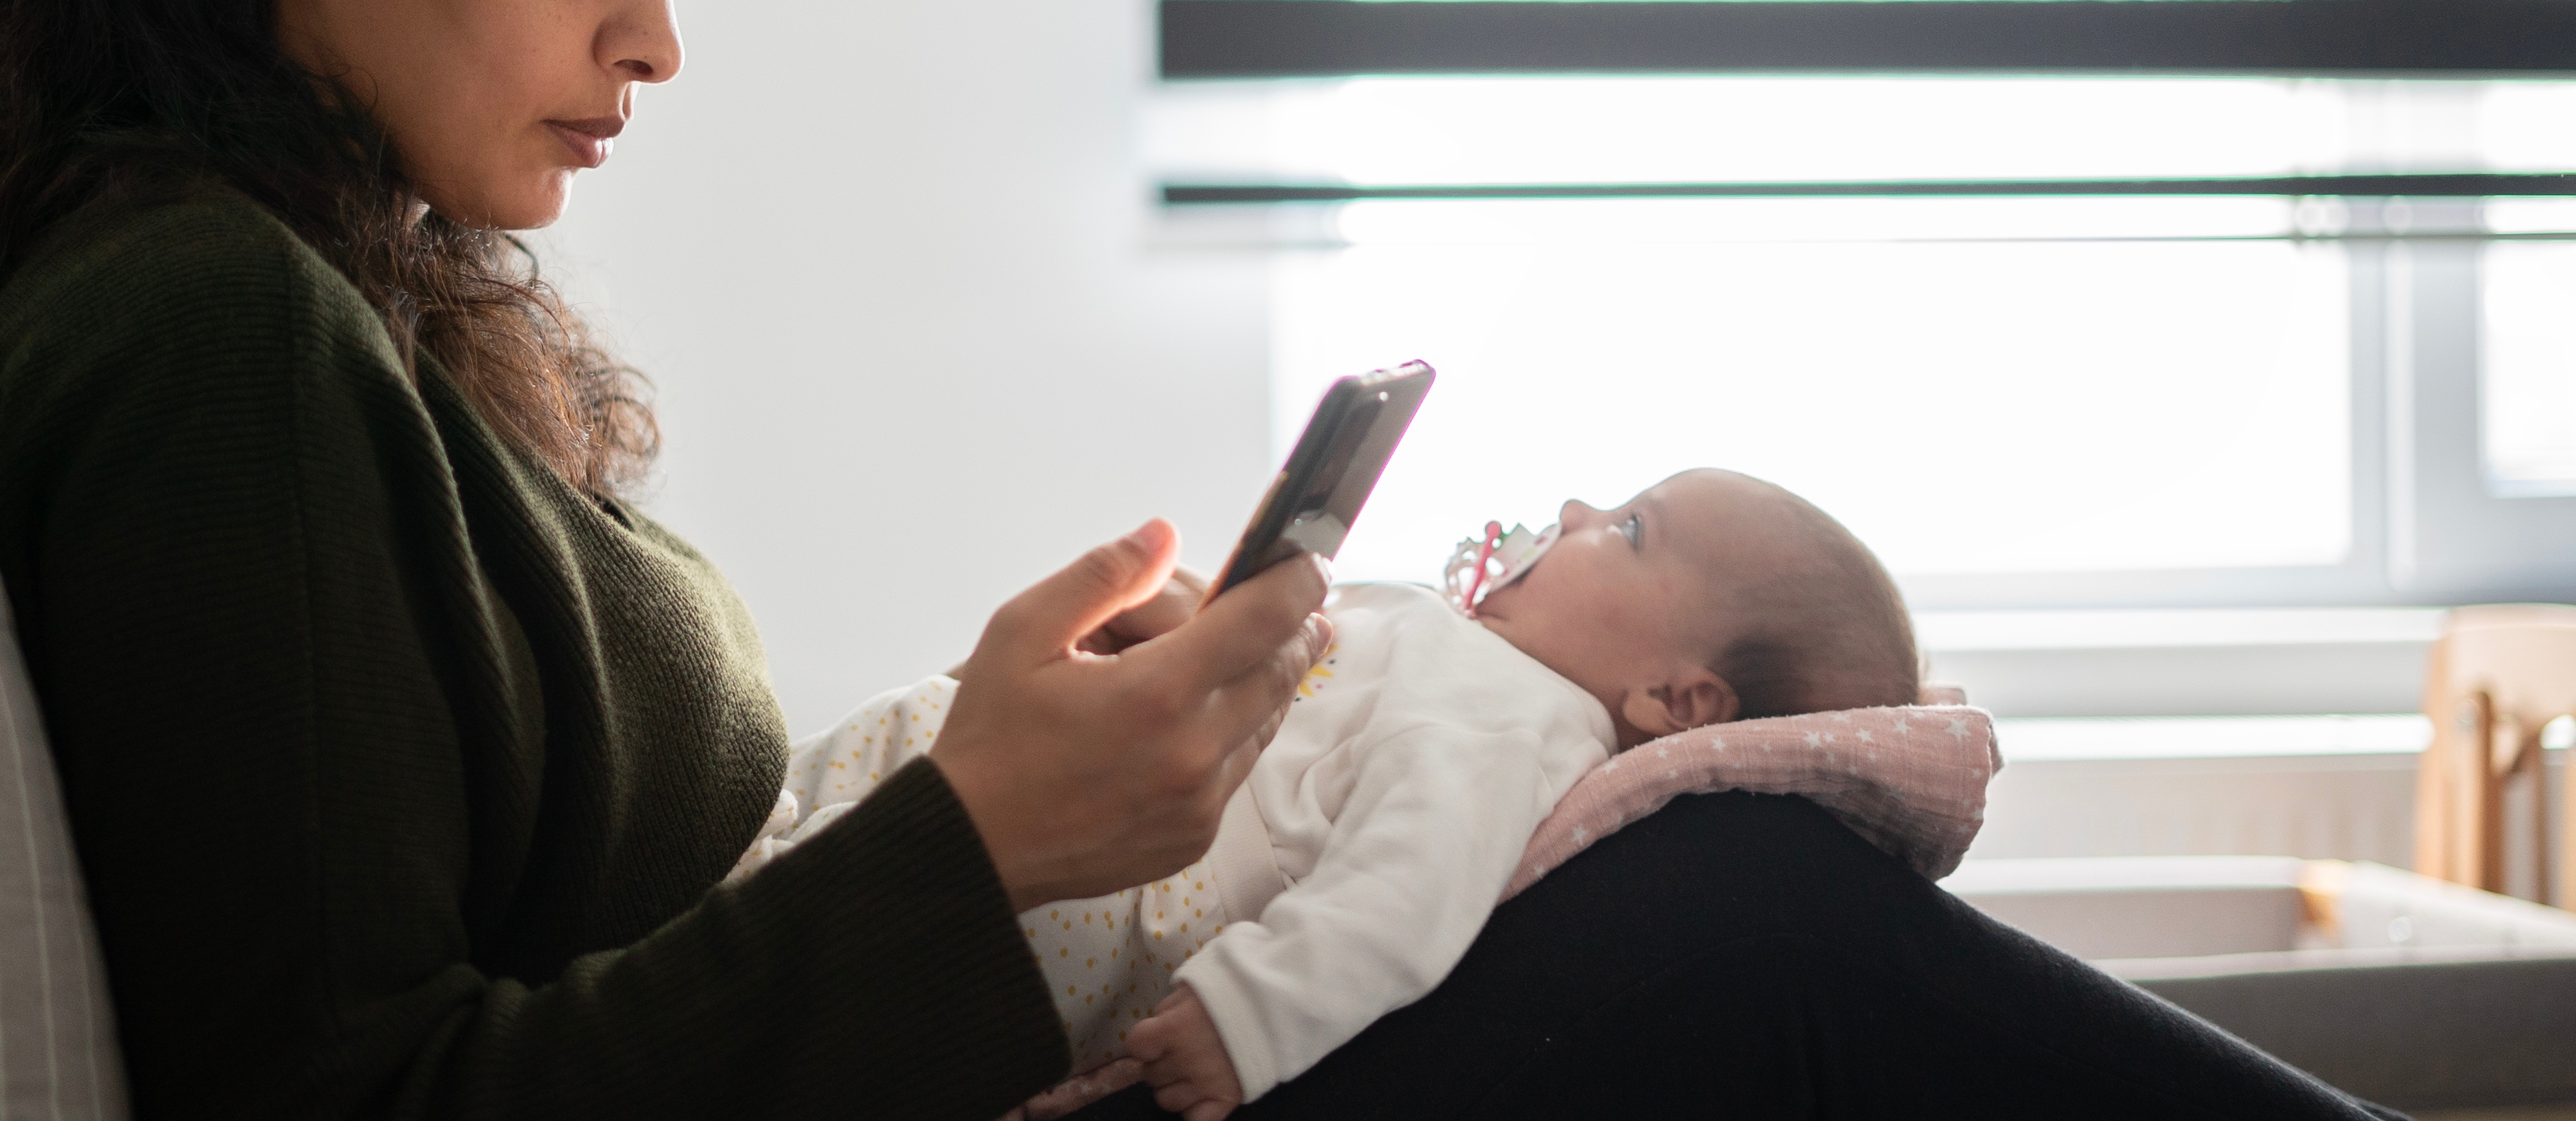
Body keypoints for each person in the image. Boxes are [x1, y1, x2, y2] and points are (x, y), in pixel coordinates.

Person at [0, 0, 2400, 1121]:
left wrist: (1026, 808)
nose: (656, 34)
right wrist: (977, 839)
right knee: (1741, 914)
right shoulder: (202, 336)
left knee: (1706, 905)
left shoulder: (346, 310)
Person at [735, 469, 1925, 1118]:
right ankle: (734, 863)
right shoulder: (1467, 656)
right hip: (1048, 786)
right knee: (848, 782)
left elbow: (1403, 893)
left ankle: (734, 905)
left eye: (1626, 529)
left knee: (837, 899)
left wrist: (1252, 1018)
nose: (1568, 513)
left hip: (1118, 901)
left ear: (1679, 701)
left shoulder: (1525, 725)